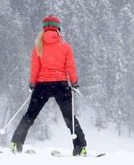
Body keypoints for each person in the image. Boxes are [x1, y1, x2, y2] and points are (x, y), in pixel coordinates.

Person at [10, 15, 87, 156]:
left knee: (30, 115)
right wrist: (74, 83)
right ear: (58, 28)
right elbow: (70, 67)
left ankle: (16, 143)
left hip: (42, 85)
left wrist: (32, 84)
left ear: (44, 28)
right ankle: (80, 147)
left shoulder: (38, 46)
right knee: (69, 118)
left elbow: (35, 68)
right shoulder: (65, 47)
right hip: (61, 85)